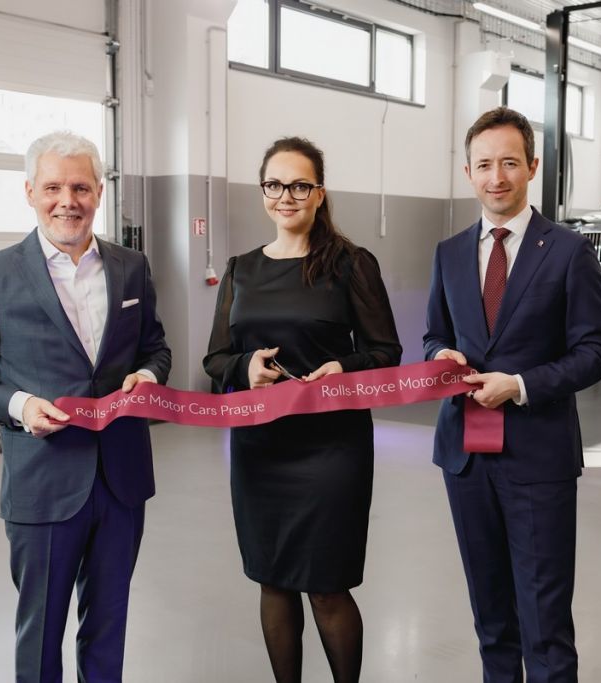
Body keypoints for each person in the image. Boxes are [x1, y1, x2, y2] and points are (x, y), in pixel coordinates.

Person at [0, 131, 171, 682]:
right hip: (43, 482)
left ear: (100, 192)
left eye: (81, 187)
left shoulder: (131, 267)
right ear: (30, 192)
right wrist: (18, 405)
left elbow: (155, 347)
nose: (69, 201)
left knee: (108, 623)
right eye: (54, 188)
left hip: (122, 480)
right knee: (40, 632)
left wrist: (148, 375)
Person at [423, 107, 601, 683]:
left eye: (509, 163)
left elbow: (596, 350)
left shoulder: (568, 251)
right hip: (465, 456)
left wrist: (522, 386)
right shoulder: (450, 252)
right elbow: (435, 332)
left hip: (537, 456)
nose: (496, 177)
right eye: (484, 165)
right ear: (467, 172)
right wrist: (441, 356)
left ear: (532, 166)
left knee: (545, 623)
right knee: (491, 618)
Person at [204, 136, 401, 683]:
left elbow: (386, 353)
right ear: (262, 190)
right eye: (274, 184)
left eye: (299, 185)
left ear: (319, 193)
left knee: (327, 585)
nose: (285, 196)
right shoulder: (240, 269)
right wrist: (244, 367)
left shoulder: (351, 264)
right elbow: (215, 358)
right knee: (273, 581)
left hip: (331, 449)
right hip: (260, 449)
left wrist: (344, 367)